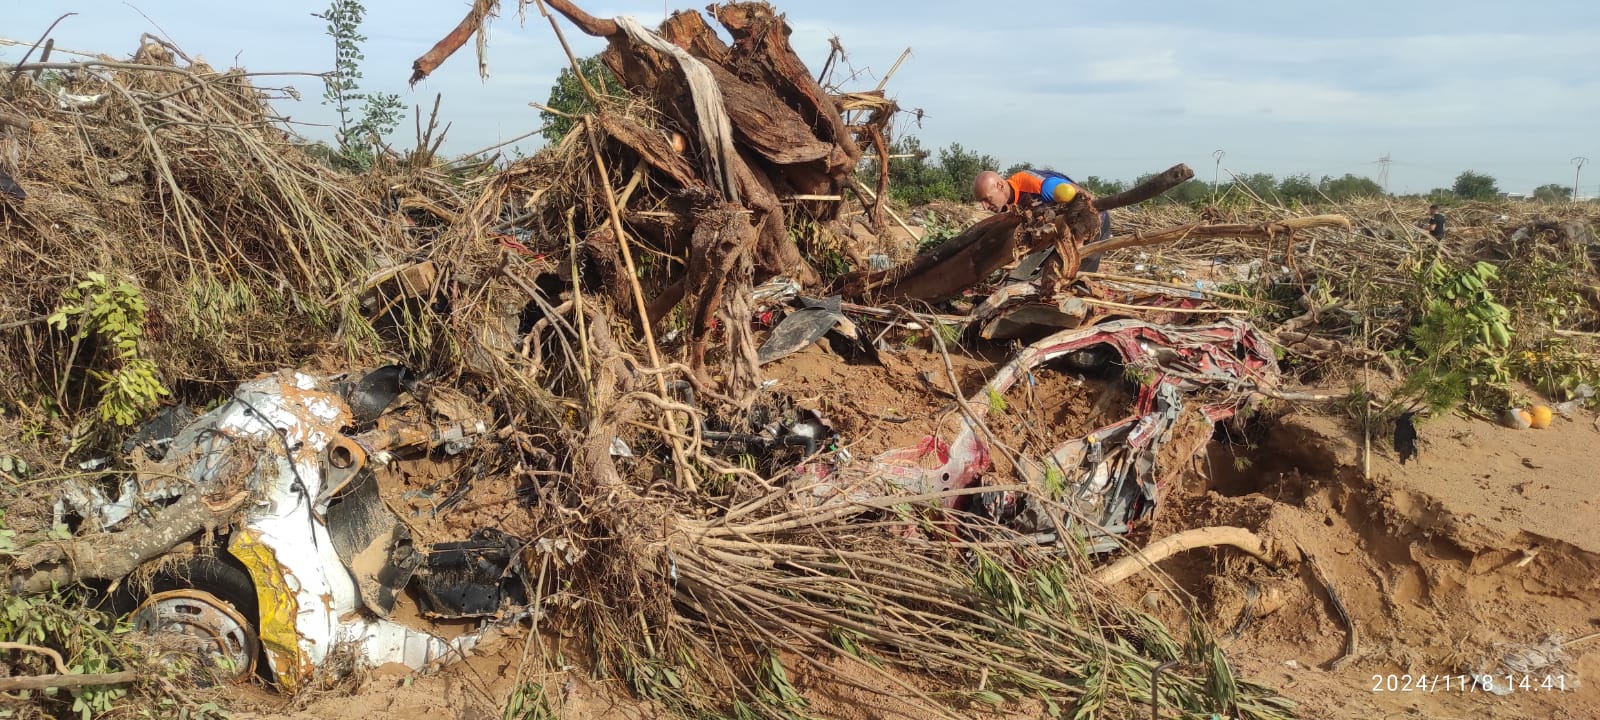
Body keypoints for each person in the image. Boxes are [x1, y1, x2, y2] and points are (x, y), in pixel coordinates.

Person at [972, 168, 1108, 272]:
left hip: (1093, 225)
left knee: (1074, 279)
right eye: (981, 202)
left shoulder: (1043, 186)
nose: (984, 207)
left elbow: (1089, 201)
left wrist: (1078, 243)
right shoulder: (1011, 204)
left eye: (987, 199)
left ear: (1000, 187)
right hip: (1059, 235)